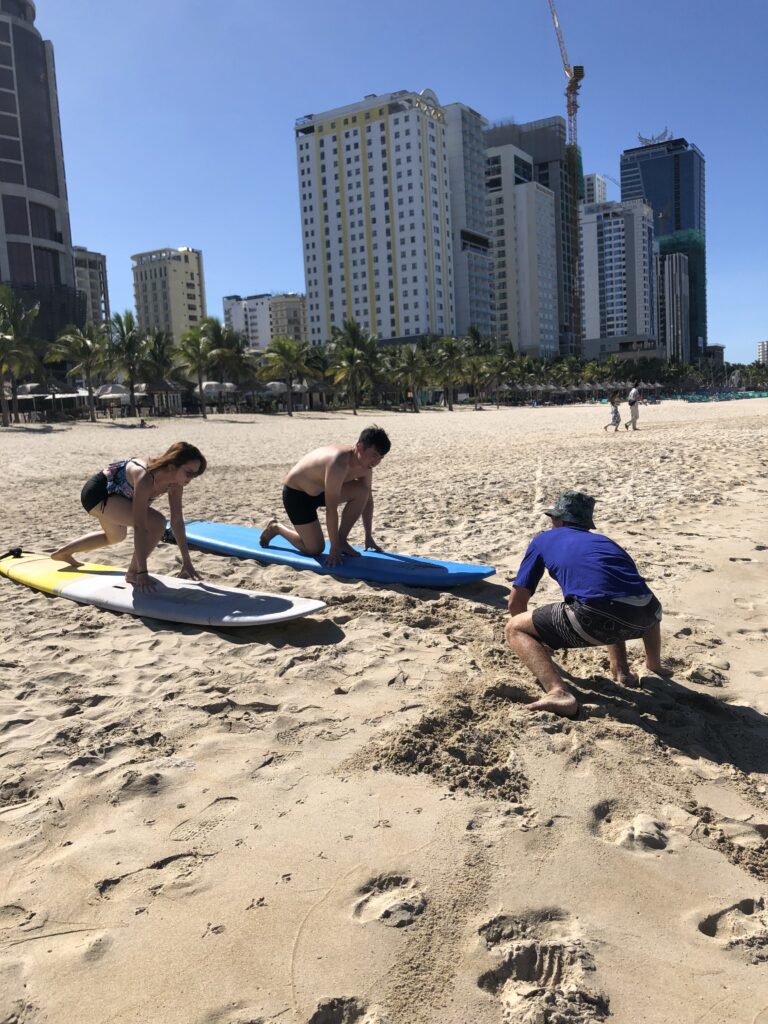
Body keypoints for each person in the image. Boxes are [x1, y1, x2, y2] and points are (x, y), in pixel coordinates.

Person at [505, 490, 670, 718]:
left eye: (553, 517)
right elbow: (620, 592)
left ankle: (558, 692)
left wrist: (537, 640)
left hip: (597, 613)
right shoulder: (605, 542)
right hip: (650, 615)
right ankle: (649, 666)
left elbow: (516, 602)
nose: (551, 522)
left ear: (560, 520)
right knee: (624, 599)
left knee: (514, 628)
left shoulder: (543, 539)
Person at [51, 441, 207, 592]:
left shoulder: (176, 484)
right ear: (172, 466)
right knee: (157, 522)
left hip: (119, 498)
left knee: (115, 537)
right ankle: (132, 573)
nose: (191, 478)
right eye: (189, 473)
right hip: (98, 493)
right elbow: (140, 526)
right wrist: (142, 572)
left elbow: (177, 521)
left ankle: (63, 553)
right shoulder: (145, 477)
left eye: (195, 475)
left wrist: (187, 562)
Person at [260, 425, 391, 568]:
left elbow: (368, 501)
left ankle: (341, 540)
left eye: (381, 457)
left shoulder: (365, 466)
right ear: (359, 448)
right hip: (297, 495)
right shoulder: (338, 463)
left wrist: (368, 536)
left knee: (363, 491)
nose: (377, 462)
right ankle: (276, 527)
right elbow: (331, 509)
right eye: (374, 455)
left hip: (320, 491)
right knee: (315, 549)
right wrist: (333, 548)